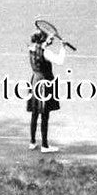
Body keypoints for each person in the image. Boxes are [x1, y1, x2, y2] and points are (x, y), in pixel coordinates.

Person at [27, 23, 66, 153]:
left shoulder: (31, 48)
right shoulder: (46, 52)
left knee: (34, 113)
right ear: (43, 40)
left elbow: (41, 46)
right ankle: (44, 145)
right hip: (44, 83)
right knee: (45, 114)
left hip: (34, 81)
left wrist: (48, 41)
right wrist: (63, 48)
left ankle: (32, 142)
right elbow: (60, 61)